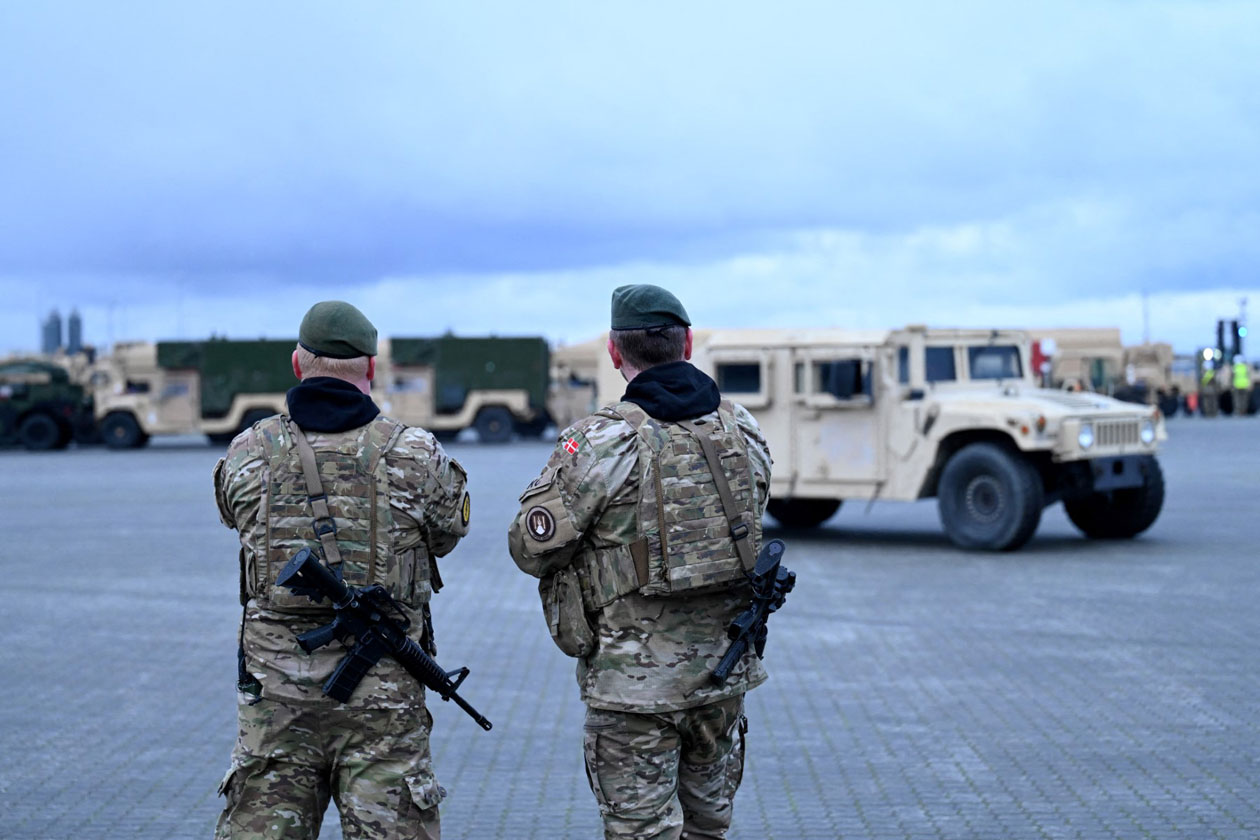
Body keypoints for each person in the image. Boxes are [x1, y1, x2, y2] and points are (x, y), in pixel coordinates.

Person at [508, 284, 773, 840]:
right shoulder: (742, 427)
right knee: (709, 828)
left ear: (613, 351)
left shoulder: (600, 440)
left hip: (632, 688)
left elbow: (530, 547)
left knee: (641, 833)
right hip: (722, 674)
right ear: (689, 343)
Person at [213, 301, 470, 839]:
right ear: (371, 368)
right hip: (383, 701)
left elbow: (234, 518)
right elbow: (446, 536)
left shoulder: (246, 451)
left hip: (277, 700)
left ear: (296, 364)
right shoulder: (416, 454)